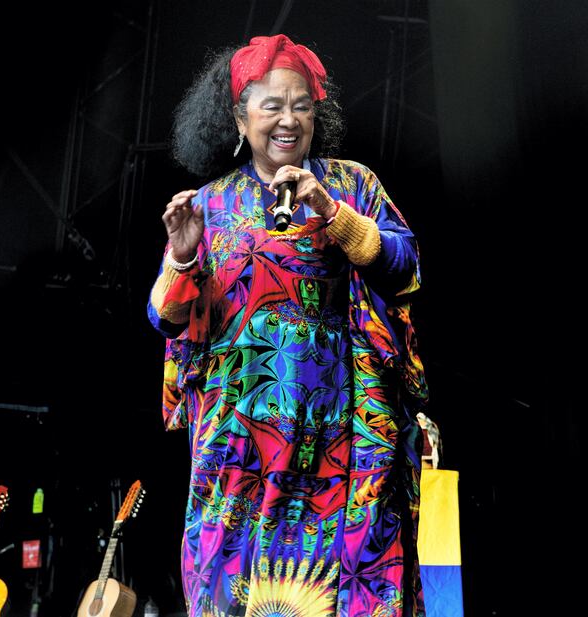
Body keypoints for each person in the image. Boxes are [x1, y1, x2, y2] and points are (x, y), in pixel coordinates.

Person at [147, 34, 429, 616]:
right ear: (238, 117)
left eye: (302, 104)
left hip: (346, 429)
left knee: (357, 580)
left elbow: (404, 270)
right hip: (242, 436)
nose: (288, 119)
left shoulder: (350, 184)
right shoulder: (209, 203)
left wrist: (332, 213)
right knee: (234, 579)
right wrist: (181, 257)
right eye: (271, 105)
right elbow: (166, 319)